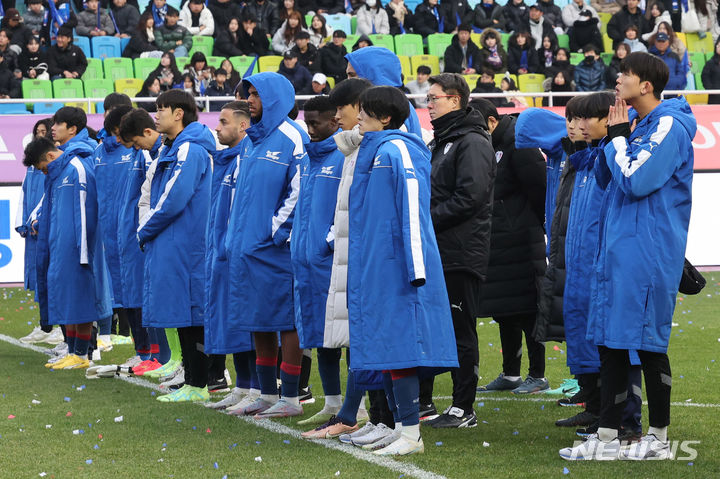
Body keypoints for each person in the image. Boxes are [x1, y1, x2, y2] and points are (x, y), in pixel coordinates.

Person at [560, 51, 696, 461]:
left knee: (648, 347)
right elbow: (608, 179)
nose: (617, 80)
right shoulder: (636, 125)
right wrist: (612, 136)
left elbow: (636, 181)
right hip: (620, 250)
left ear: (647, 85)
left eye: (625, 73)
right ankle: (607, 437)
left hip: (647, 253)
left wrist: (618, 138)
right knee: (613, 344)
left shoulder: (669, 125)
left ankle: (657, 437)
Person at [345, 85, 458, 454]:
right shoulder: (374, 150)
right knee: (387, 348)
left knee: (402, 347)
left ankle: (411, 433)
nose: (358, 117)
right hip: (378, 265)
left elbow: (412, 208)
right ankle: (398, 426)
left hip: (401, 269)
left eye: (365, 111)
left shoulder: (397, 149)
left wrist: (416, 266)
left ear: (386, 117)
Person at [225, 72, 309, 418]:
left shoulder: (294, 137)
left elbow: (300, 190)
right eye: (249, 94)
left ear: (275, 97)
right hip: (248, 249)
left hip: (277, 250)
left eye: (257, 95)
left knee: (287, 320)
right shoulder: (250, 140)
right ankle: (264, 391)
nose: (250, 101)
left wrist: (274, 233)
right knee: (257, 318)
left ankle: (290, 396)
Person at [415, 74, 495, 429]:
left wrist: (424, 221)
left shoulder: (472, 142)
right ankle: (424, 401)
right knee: (433, 328)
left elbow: (470, 197)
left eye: (433, 98)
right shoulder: (443, 140)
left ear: (455, 100)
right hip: (440, 250)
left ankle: (464, 407)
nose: (428, 104)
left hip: (460, 252)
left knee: (461, 330)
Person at [138, 89, 215, 402]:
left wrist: (144, 230)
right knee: (184, 314)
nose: (157, 115)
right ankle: (193, 380)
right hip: (176, 241)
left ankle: (200, 383)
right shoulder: (175, 147)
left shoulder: (190, 150)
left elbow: (173, 200)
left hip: (187, 243)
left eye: (161, 109)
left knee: (194, 314)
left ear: (179, 113)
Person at [27, 107, 111, 371]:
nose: (53, 128)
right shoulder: (58, 169)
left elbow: (87, 208)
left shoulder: (77, 165)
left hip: (78, 247)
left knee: (82, 298)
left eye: (58, 124)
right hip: (60, 245)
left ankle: (82, 352)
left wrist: (84, 248)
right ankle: (72, 350)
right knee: (67, 297)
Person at [287, 94, 349, 434]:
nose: (310, 130)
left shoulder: (342, 157)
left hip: (330, 262)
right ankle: (332, 403)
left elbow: (346, 209)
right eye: (307, 123)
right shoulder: (307, 160)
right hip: (306, 263)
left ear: (334, 121)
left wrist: (326, 244)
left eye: (316, 123)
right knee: (319, 334)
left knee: (343, 334)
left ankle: (358, 406)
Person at [118, 108, 183, 381]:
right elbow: (146, 199)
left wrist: (147, 228)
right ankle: (167, 359)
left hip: (174, 239)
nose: (137, 149)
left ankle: (185, 364)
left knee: (179, 304)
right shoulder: (156, 154)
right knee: (157, 298)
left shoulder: (179, 151)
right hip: (153, 236)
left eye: (136, 143)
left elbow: (171, 200)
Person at [204, 100, 259, 412]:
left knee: (245, 319)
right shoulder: (224, 160)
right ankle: (242, 386)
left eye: (223, 122)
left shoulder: (245, 158)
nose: (217, 127)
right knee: (230, 318)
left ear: (243, 126)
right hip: (222, 251)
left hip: (239, 253)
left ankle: (255, 387)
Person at [17, 118, 62, 346]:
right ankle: (47, 324)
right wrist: (24, 221)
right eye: (38, 132)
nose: (41, 135)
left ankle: (57, 326)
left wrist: (39, 218)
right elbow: (25, 195)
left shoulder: (60, 165)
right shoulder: (33, 168)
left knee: (54, 277)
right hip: (35, 230)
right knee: (39, 277)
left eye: (46, 131)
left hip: (50, 228)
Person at [345, 46, 423, 138]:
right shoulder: (391, 103)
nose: (347, 81)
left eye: (352, 75)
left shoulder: (392, 110)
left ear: (373, 75)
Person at [701, 38, 720, 104]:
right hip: (714, 97)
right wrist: (711, 90)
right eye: (718, 46)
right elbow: (704, 77)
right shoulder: (710, 63)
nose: (718, 47)